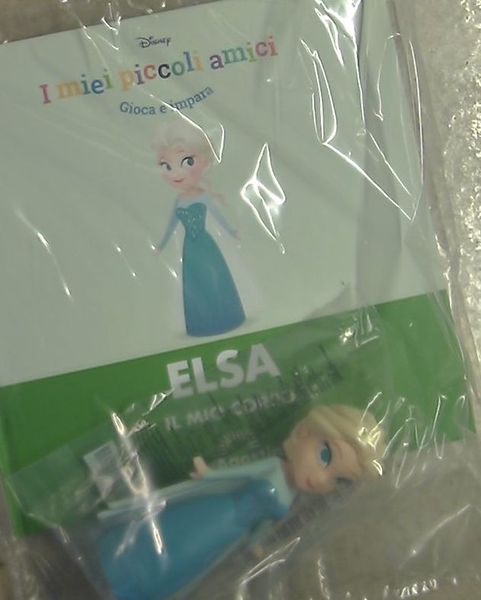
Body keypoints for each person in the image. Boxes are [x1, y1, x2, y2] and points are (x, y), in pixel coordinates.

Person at [96, 405, 385, 600]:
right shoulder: (272, 467)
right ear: (305, 433)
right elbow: (241, 474)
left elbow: (264, 525)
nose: (321, 479)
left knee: (184, 564)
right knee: (170, 539)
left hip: (226, 538)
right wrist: (210, 474)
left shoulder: (292, 497)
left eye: (338, 480)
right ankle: (119, 564)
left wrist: (255, 545)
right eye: (325, 456)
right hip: (211, 514)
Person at [153, 119, 245, 337]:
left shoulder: (204, 197)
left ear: (204, 163)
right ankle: (201, 324)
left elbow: (219, 218)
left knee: (215, 279)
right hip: (190, 250)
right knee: (196, 284)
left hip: (206, 246)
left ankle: (226, 318)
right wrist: (160, 246)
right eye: (167, 166)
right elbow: (171, 226)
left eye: (187, 162)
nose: (175, 173)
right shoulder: (179, 201)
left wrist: (232, 232)